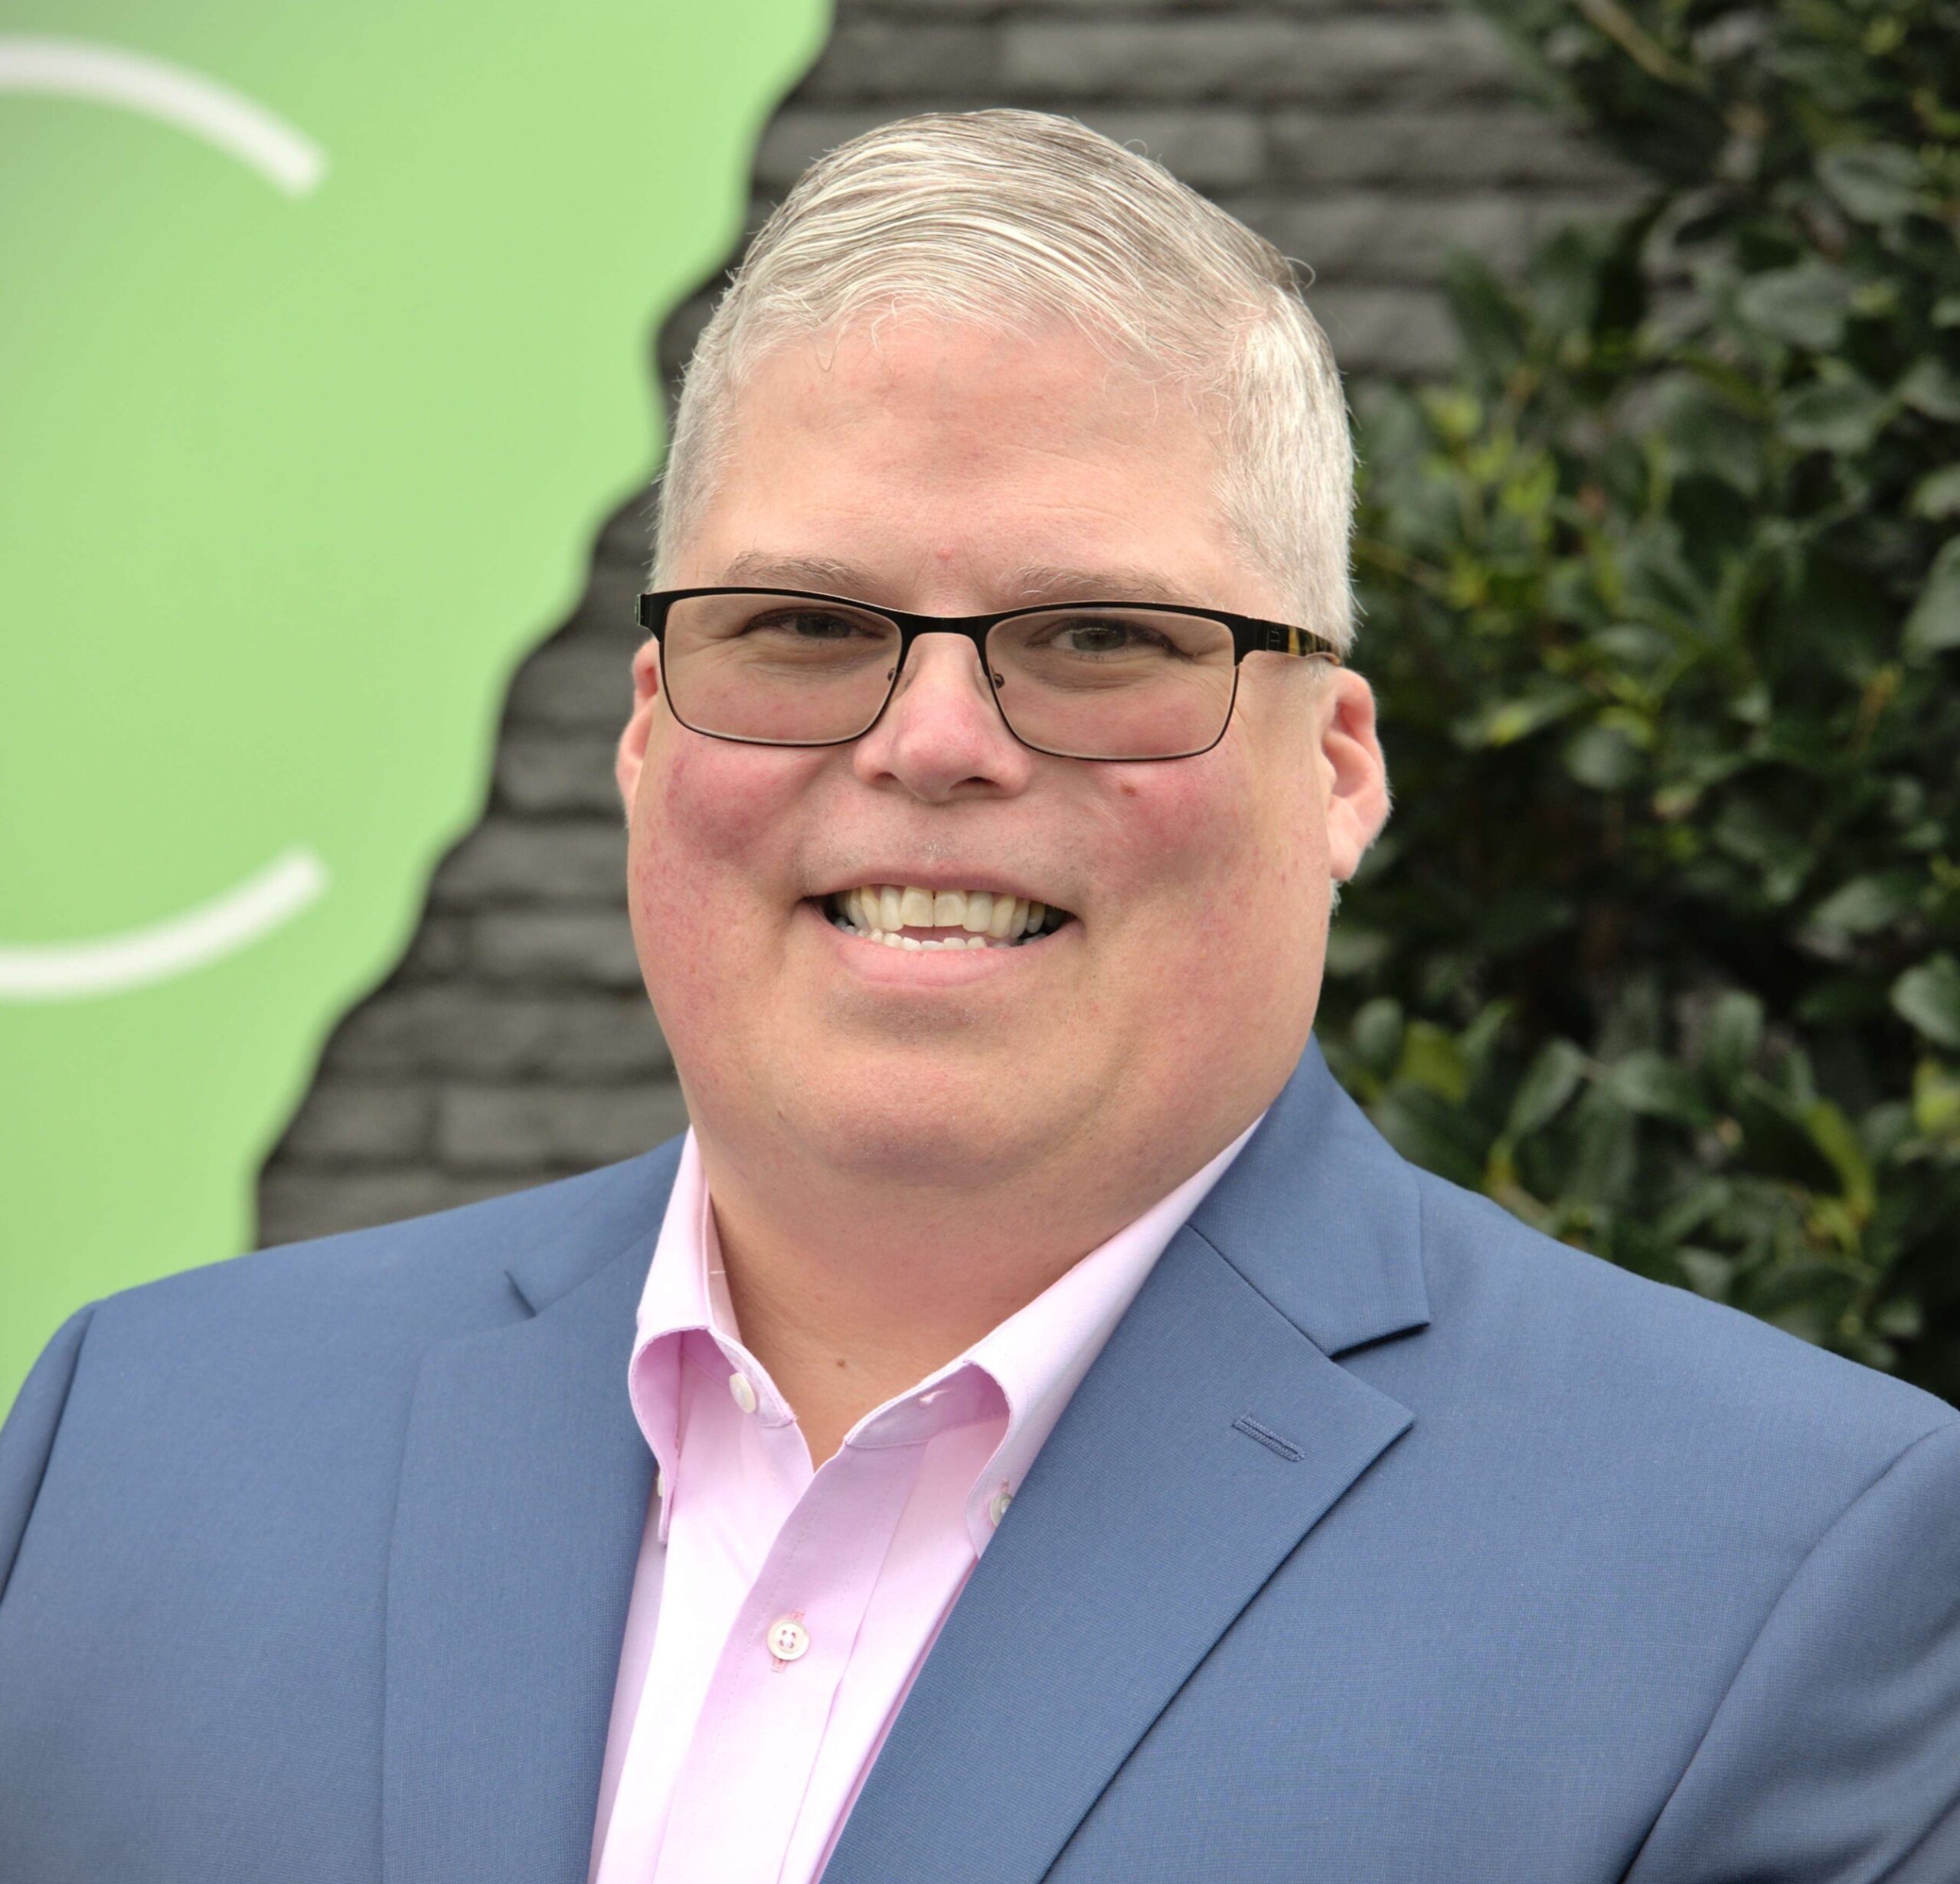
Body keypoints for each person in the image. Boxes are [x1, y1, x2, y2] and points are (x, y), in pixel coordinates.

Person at [2, 109, 1956, 1884]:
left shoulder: (1779, 1570)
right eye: (803, 623)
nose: (933, 740)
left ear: (1338, 769)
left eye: (1098, 634)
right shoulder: (133, 1447)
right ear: (645, 735)